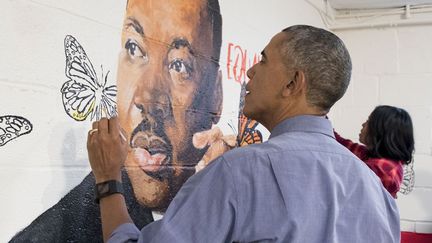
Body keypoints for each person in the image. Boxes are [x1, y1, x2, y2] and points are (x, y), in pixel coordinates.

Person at [88, 25, 400, 242]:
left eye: (264, 60)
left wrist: (107, 179)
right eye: (133, 48)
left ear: (293, 83)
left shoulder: (241, 172)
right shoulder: (378, 195)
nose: (250, 70)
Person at [10, 0, 227, 242]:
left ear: (216, 96)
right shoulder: (53, 233)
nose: (147, 97)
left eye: (179, 65)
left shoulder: (227, 204)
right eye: (134, 49)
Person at [333, 105, 415, 198]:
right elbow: (345, 144)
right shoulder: (374, 157)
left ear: (380, 131)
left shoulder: (382, 169)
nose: (363, 124)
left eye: (368, 121)